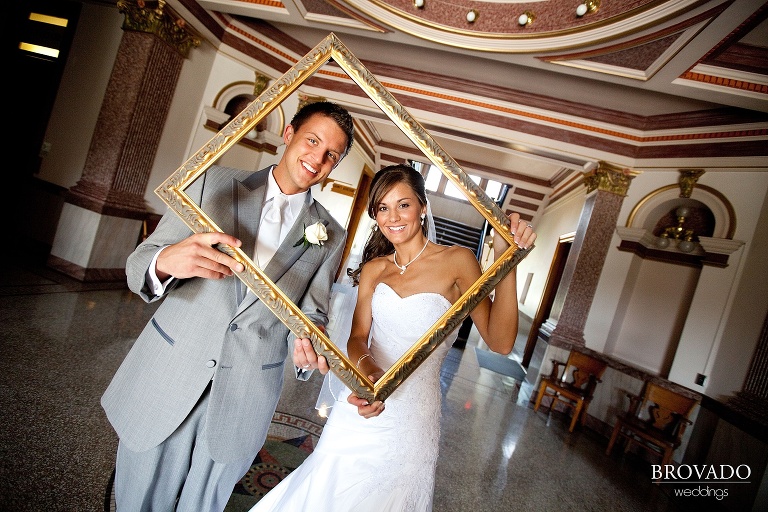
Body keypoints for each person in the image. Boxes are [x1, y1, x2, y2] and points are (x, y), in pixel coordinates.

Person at [101, 101, 355, 511]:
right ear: (288, 135)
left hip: (247, 392)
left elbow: (312, 312)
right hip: (172, 371)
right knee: (138, 501)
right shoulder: (210, 183)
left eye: (332, 155)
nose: (318, 158)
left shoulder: (329, 233)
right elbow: (138, 265)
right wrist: (166, 262)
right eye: (312, 140)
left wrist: (310, 345)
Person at [255, 163, 537, 511]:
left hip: (413, 416)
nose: (393, 217)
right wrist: (370, 376)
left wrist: (507, 260)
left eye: (403, 204)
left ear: (422, 206)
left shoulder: (459, 261)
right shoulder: (375, 269)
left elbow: (500, 342)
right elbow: (359, 338)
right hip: (363, 402)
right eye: (383, 208)